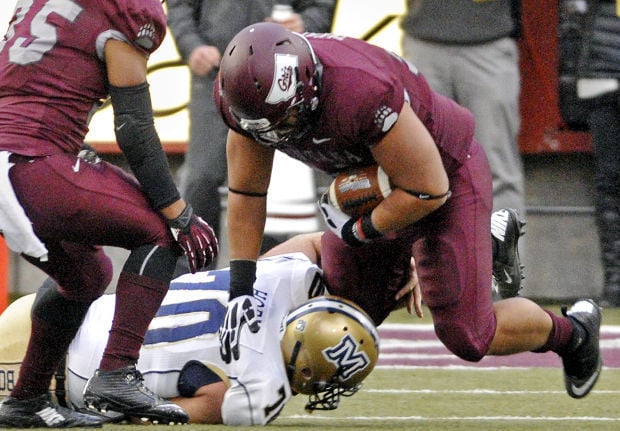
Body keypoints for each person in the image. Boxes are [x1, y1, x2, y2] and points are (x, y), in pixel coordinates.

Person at [213, 22, 603, 404]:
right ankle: (481, 246)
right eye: (265, 128)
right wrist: (241, 289)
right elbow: (247, 192)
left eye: (286, 121)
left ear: (308, 88)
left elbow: (427, 188)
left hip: (445, 175)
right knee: (350, 308)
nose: (278, 136)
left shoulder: (360, 89)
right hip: (370, 181)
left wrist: (363, 233)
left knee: (467, 335)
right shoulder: (248, 98)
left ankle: (575, 332)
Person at [0, 0, 219, 428]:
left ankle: (26, 400)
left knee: (86, 276)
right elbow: (134, 126)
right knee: (162, 230)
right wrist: (179, 213)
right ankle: (117, 371)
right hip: (29, 161)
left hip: (16, 158)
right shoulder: (129, 9)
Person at [0, 239, 384, 425]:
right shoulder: (259, 387)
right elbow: (158, 416)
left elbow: (320, 243)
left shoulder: (278, 277)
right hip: (53, 376)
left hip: (57, 314)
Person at [166, 0, 336, 269]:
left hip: (280, 80)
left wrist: (306, 24)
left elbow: (320, 6)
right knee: (202, 179)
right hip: (217, 74)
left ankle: (265, 278)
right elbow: (179, 6)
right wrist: (191, 46)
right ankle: (190, 280)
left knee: (273, 189)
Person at [399, 0, 526, 298]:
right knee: (416, 171)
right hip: (424, 40)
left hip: (489, 40)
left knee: (498, 171)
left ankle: (505, 286)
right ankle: (420, 283)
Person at [572, 0, 620, 306]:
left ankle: (616, 283)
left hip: (600, 66)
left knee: (609, 184)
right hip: (600, 71)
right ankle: (616, 283)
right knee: (609, 182)